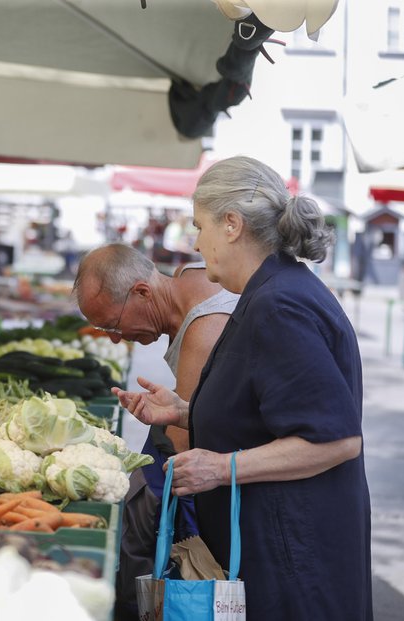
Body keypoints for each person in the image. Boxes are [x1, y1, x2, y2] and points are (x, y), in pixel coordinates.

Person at [116, 156, 371, 620]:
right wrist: (185, 412)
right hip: (280, 554)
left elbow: (336, 439)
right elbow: (267, 412)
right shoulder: (272, 291)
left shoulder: (280, 304)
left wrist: (220, 468)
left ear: (231, 224)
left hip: (292, 564)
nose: (196, 241)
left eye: (199, 226)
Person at [73, 243, 238, 620]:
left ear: (143, 292)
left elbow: (194, 439)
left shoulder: (205, 329)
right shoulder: (186, 279)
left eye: (113, 326)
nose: (115, 339)